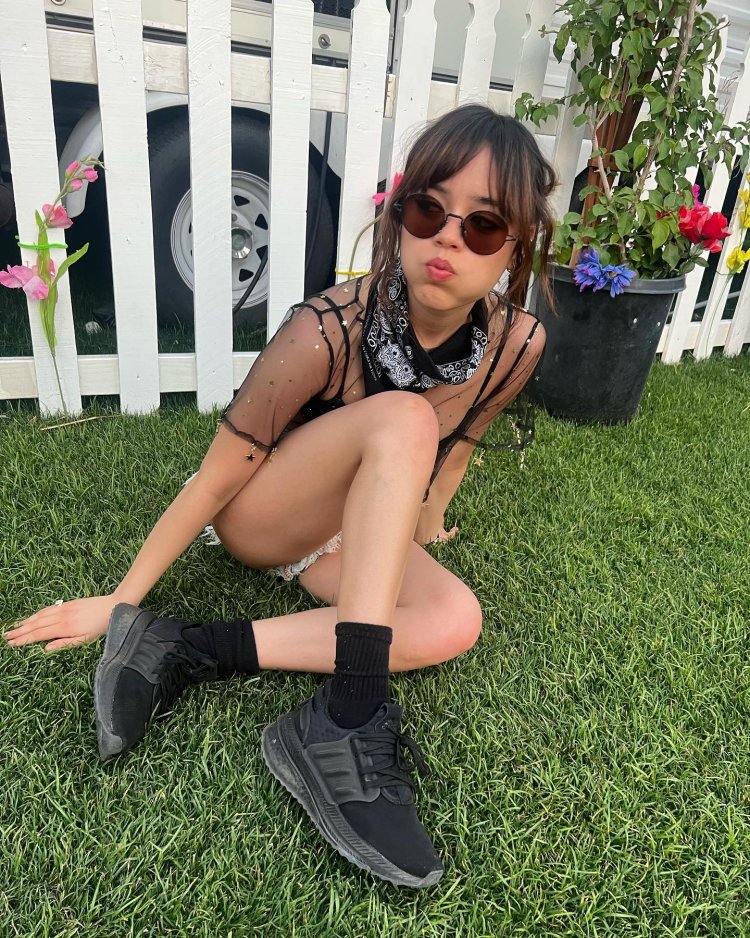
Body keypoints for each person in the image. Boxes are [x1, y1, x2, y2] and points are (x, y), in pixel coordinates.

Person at [5, 104, 556, 888]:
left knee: (454, 619)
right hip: (266, 513)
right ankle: (351, 712)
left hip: (358, 520)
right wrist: (120, 597)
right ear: (400, 217)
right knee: (404, 418)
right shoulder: (327, 326)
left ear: (517, 246)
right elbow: (219, 474)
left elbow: (459, 444)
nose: (447, 239)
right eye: (429, 211)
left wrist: (426, 526)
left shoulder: (515, 343)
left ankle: (185, 648)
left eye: (484, 226)